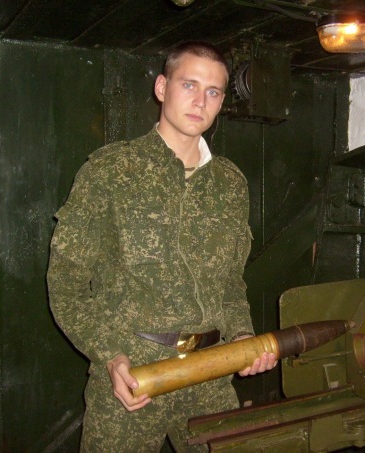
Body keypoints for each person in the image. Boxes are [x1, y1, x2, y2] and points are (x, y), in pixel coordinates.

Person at [47, 40, 277, 452]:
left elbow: (230, 283)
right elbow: (66, 285)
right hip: (134, 375)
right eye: (189, 85)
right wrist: (111, 356)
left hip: (210, 374)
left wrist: (243, 335)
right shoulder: (111, 171)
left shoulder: (230, 184)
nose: (200, 101)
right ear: (161, 87)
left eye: (213, 91)